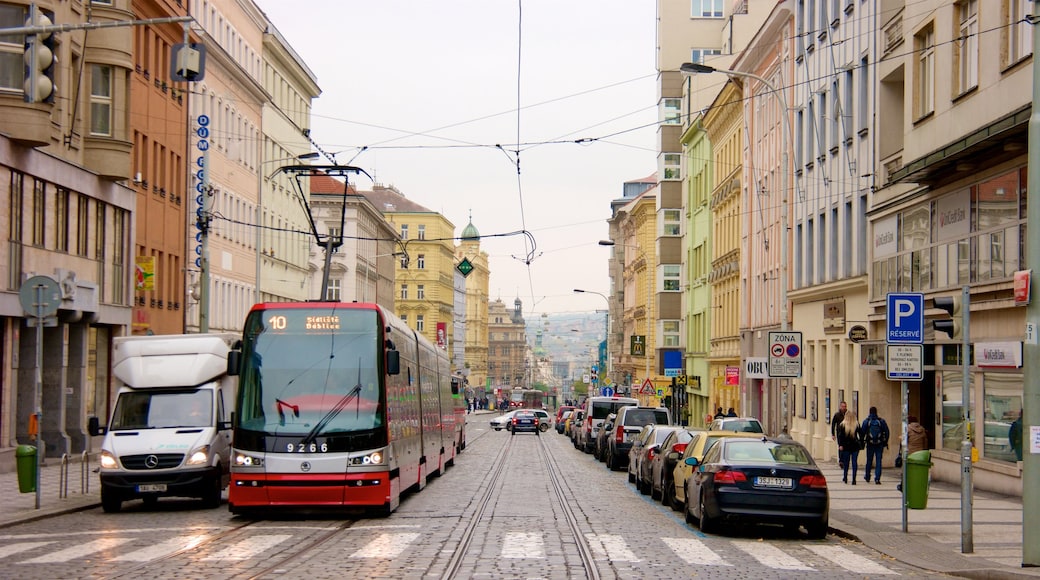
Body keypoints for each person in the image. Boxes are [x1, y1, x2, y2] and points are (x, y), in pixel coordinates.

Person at [862, 406, 890, 484]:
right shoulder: (881, 421)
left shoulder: (866, 421)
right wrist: (885, 442)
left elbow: (862, 432)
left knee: (869, 460)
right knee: (878, 461)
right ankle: (877, 478)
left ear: (869, 412)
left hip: (870, 443)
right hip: (879, 444)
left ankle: (867, 476)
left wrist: (863, 442)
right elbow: (887, 432)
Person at [836, 410, 863, 484]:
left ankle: (845, 477)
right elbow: (861, 434)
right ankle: (854, 479)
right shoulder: (856, 424)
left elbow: (840, 436)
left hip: (846, 446)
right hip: (855, 446)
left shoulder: (842, 425)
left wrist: (840, 445)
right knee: (854, 462)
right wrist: (861, 443)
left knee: (846, 462)